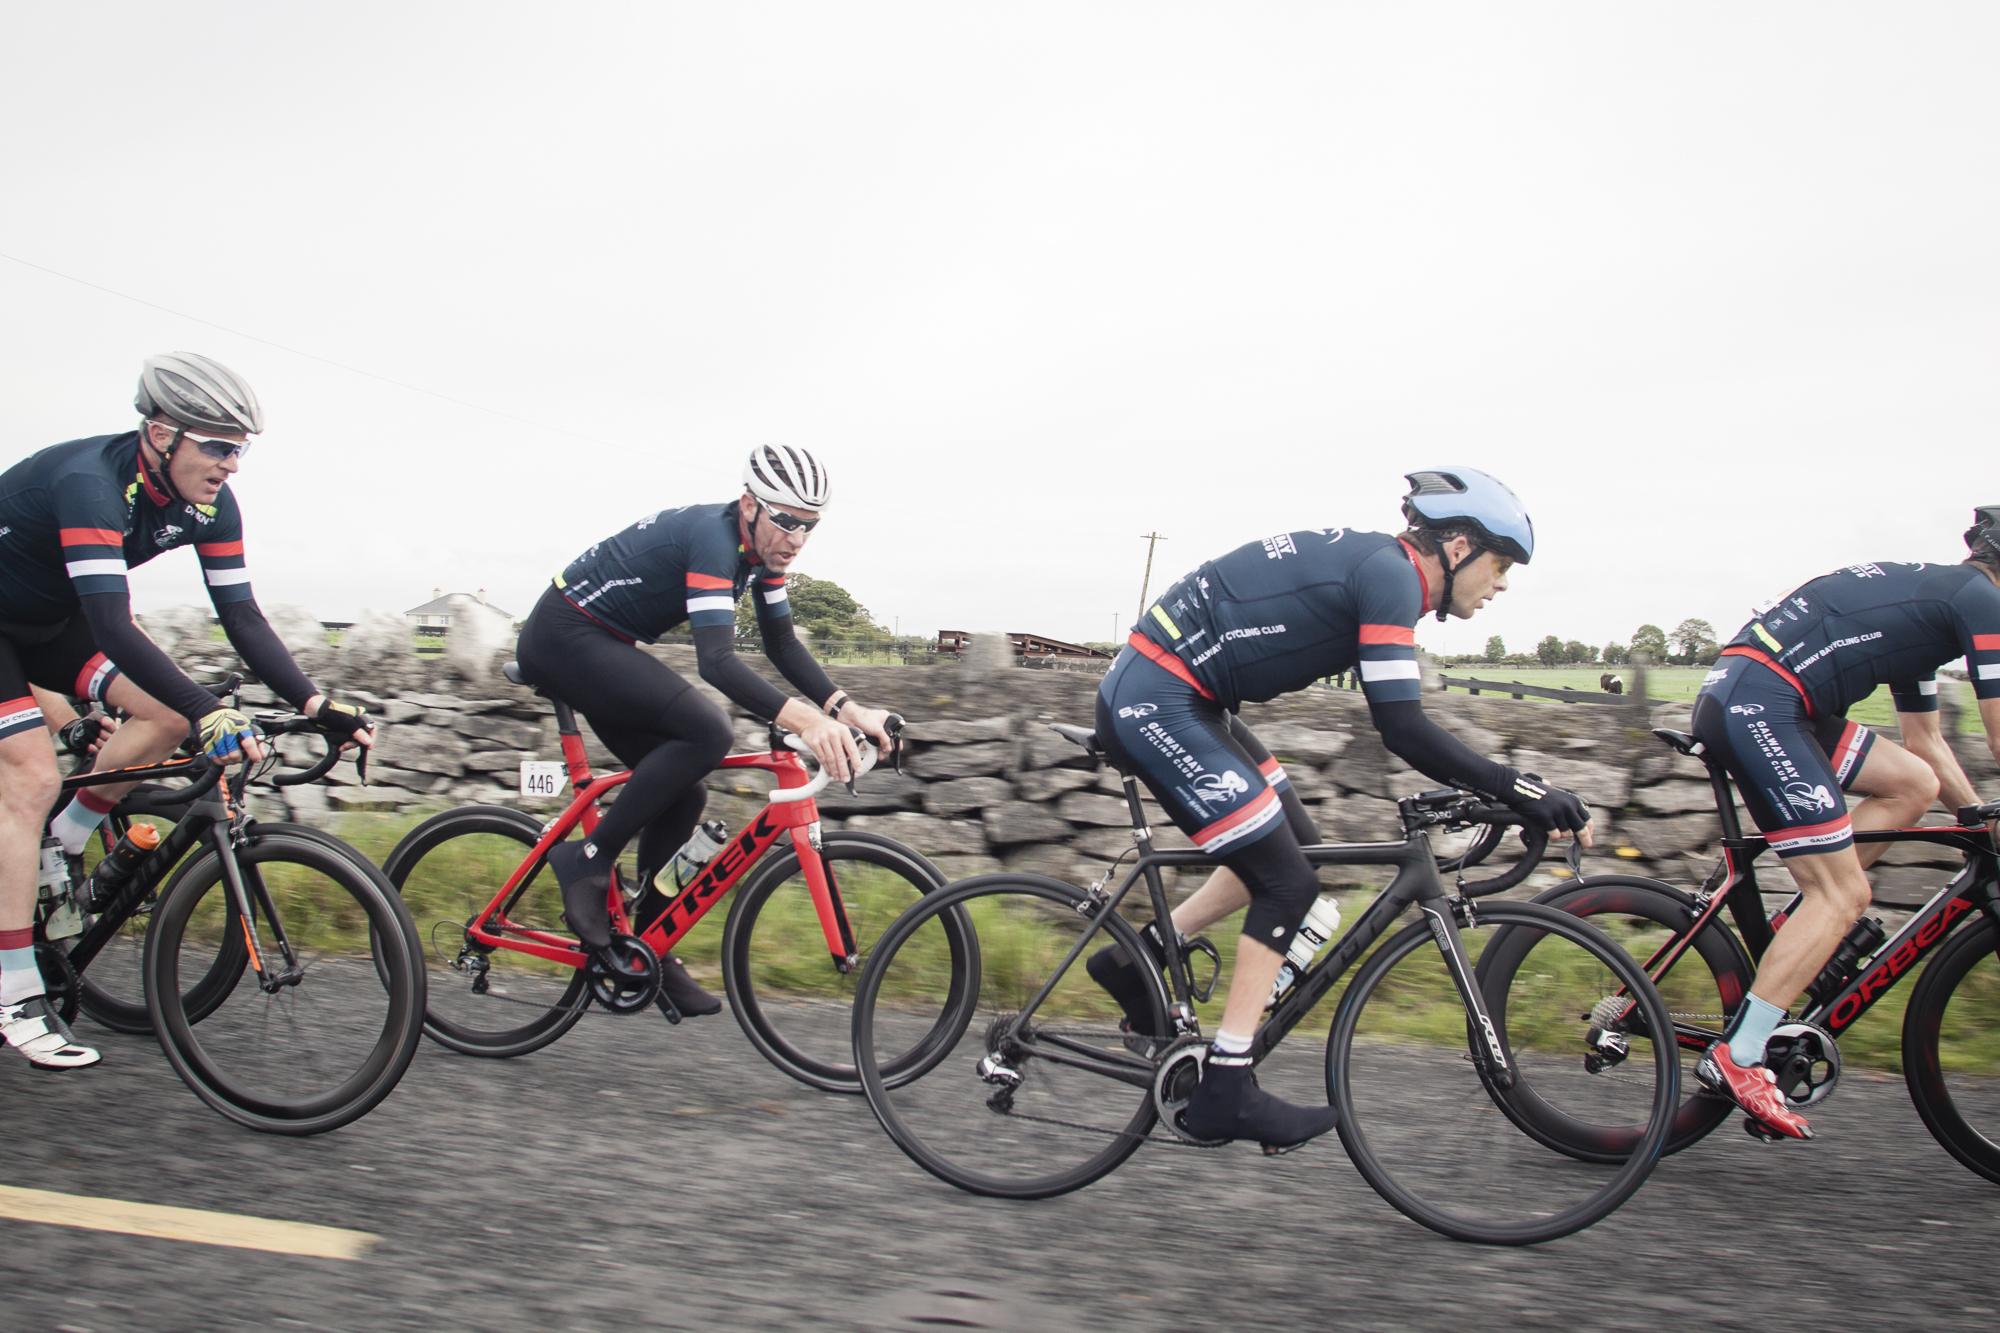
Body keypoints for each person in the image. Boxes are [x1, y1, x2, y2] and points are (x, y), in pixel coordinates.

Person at [1089, 468, 1593, 1149]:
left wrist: (1507, 786)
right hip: (1160, 695)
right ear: (1459, 545)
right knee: (1287, 881)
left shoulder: (1385, 569)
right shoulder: (1392, 577)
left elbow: (1405, 723)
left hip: (1191, 699)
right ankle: (1226, 1090)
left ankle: (1135, 960)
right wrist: (1522, 789)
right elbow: (1403, 728)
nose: (1501, 582)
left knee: (1292, 848)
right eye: (1500, 564)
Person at [0, 353, 373, 1071]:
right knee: (29, 772)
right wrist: (212, 713)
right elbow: (112, 624)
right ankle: (14, 992)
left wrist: (315, 702)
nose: (233, 463)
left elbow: (242, 615)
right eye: (220, 446)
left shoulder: (209, 503)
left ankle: (60, 846)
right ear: (163, 431)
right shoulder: (90, 485)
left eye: (241, 449)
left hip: (48, 625)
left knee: (167, 715)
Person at [516, 444, 901, 1015]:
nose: (796, 539)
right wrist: (808, 721)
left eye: (809, 527)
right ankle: (588, 860)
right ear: (749, 505)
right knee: (706, 731)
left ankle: (647, 944)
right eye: (786, 521)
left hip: (603, 643)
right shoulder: (714, 540)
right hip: (564, 635)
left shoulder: (761, 556)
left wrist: (850, 710)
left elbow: (781, 644)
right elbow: (716, 661)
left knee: (683, 786)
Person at [1689, 509, 2000, 1140]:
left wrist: (1975, 820)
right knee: (1843, 894)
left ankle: (1794, 930)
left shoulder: (1933, 605)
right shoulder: (1982, 601)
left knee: (1913, 784)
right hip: (1763, 702)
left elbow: (1924, 742)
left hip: (1768, 696)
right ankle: (1740, 1056)